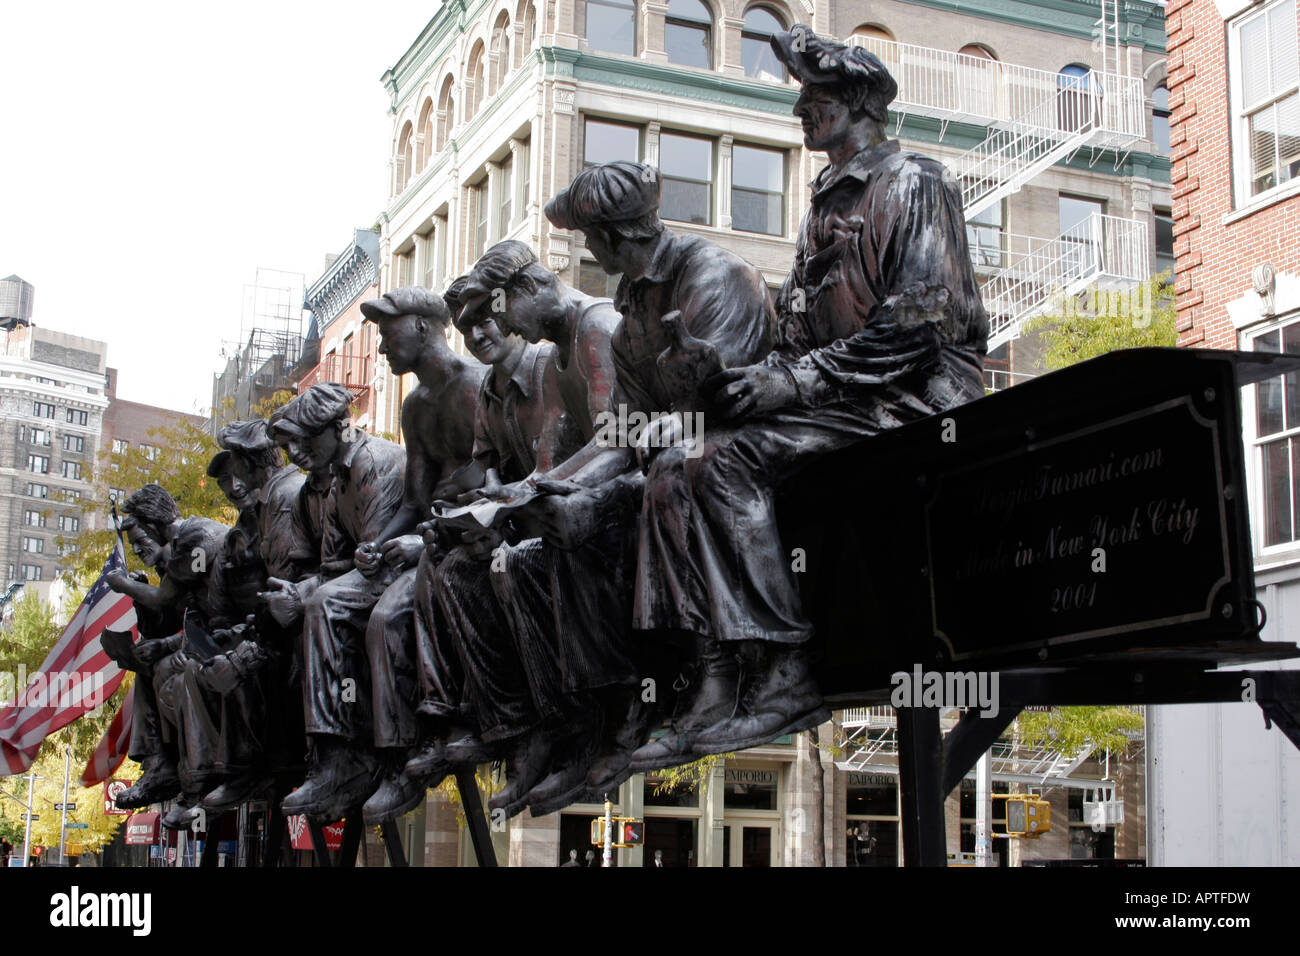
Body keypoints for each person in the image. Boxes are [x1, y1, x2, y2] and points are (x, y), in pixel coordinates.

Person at [629, 24, 988, 768]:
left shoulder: (913, 183)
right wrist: (727, 378)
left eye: (816, 93)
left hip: (915, 405)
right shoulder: (823, 205)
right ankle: (717, 673)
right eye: (801, 94)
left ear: (859, 100)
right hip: (848, 403)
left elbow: (920, 323)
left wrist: (788, 382)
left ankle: (785, 671)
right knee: (670, 468)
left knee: (726, 464)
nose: (802, 107)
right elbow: (797, 338)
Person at [535, 159, 777, 795]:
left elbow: (726, 400)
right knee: (556, 532)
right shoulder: (631, 307)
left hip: (740, 454)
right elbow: (621, 430)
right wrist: (549, 487)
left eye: (590, 235)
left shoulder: (714, 277)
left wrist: (664, 433)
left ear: (615, 235)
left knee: (674, 469)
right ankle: (608, 708)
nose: (586, 247)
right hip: (671, 461)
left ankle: (715, 674)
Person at [353, 286, 485, 824]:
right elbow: (413, 500)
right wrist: (380, 543)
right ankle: (353, 755)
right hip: (428, 538)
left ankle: (414, 751)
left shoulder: (476, 387)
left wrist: (427, 536)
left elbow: (493, 483)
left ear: (427, 328)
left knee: (387, 618)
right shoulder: (415, 406)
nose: (382, 346)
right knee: (343, 606)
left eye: (389, 333)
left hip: (475, 539)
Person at [260, 384, 407, 823]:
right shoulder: (334, 480)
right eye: (291, 445)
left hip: (404, 570)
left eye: (307, 440)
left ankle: (341, 755)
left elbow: (373, 562)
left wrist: (312, 596)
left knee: (325, 606)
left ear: (338, 428)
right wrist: (296, 593)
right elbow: (333, 564)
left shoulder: (372, 464)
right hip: (366, 576)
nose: (298, 453)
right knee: (311, 604)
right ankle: (326, 757)